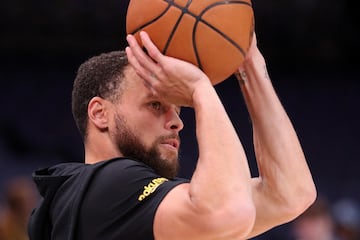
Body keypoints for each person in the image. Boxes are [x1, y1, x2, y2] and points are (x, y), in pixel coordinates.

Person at [28, 29, 316, 240]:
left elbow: (290, 196)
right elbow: (230, 211)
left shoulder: (116, 206)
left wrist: (249, 66)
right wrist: (199, 88)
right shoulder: (106, 183)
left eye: (179, 108)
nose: (177, 122)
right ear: (100, 113)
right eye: (156, 104)